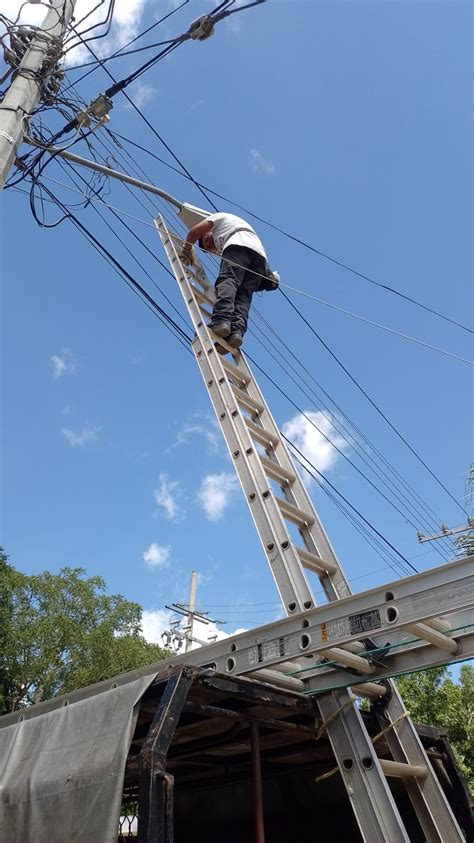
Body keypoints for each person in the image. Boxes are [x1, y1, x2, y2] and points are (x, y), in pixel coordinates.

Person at [179, 212, 278, 350]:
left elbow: (194, 232)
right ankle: (236, 333)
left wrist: (186, 250)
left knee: (227, 281)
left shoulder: (219, 218)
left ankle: (221, 321)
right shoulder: (230, 233)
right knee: (243, 295)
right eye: (208, 248)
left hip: (239, 245)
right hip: (259, 257)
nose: (209, 243)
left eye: (206, 239)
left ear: (209, 231)